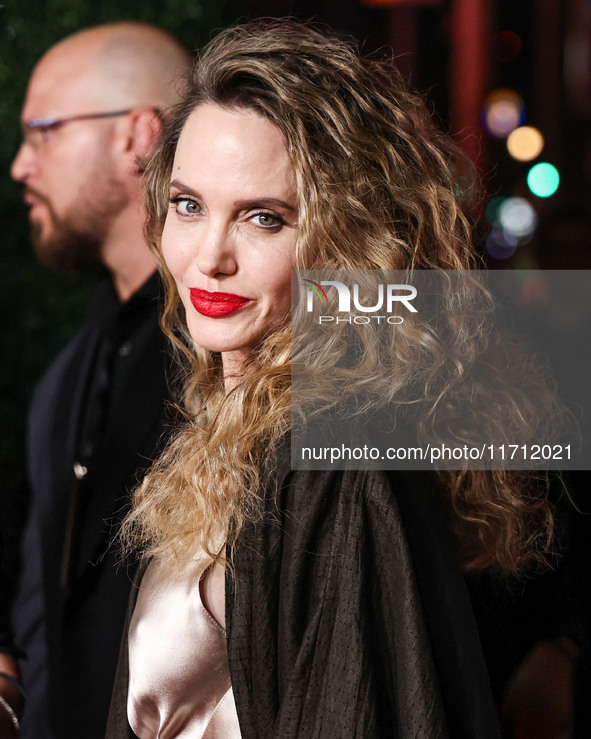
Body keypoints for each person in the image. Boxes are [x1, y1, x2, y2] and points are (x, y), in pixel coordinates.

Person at [105, 20, 567, 738]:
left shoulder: (333, 453)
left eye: (264, 219)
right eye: (189, 205)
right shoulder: (224, 425)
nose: (209, 256)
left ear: (342, 244)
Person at [2, 22, 192, 739]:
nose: (21, 165)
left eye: (42, 132)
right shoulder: (67, 376)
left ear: (138, 136)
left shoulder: (250, 355)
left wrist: (562, 642)